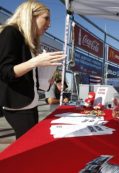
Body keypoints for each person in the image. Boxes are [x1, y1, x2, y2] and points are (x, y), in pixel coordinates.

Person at [0, 1, 65, 139]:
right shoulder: (11, 32)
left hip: (30, 101)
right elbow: (5, 72)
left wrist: (46, 76)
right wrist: (36, 61)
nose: (50, 24)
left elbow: (26, 72)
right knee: (27, 145)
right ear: (30, 16)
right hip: (19, 104)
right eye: (46, 18)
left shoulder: (28, 41)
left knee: (29, 143)